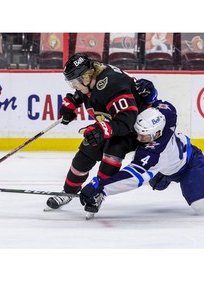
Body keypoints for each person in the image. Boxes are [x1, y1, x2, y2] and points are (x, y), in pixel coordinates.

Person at [44, 53, 158, 211]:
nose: (73, 86)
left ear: (85, 77)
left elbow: (126, 121)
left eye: (73, 82)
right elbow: (86, 92)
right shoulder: (93, 76)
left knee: (113, 152)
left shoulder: (113, 85)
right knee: (85, 153)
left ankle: (99, 192)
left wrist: (102, 128)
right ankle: (68, 193)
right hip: (114, 123)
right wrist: (72, 102)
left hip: (134, 129)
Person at [79, 100, 204, 219]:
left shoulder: (155, 153)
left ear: (157, 133)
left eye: (144, 136)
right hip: (164, 170)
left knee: (203, 207)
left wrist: (102, 187)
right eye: (138, 134)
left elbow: (132, 177)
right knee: (157, 184)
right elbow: (157, 104)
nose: (139, 139)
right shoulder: (167, 114)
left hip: (189, 164)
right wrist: (150, 94)